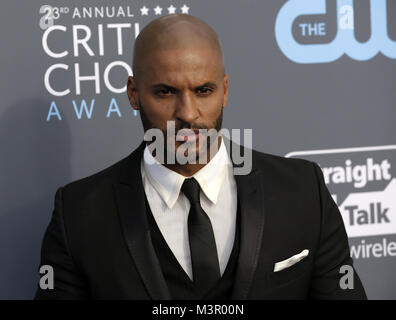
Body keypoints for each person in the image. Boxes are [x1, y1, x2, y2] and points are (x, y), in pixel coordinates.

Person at [35, 14, 366, 300]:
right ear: (134, 94)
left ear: (225, 91)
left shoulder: (302, 191)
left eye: (203, 90)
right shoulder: (79, 215)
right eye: (166, 92)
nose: (188, 113)